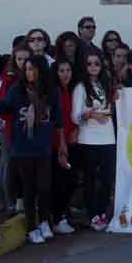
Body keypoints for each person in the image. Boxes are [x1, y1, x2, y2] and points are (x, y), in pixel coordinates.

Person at [0, 56, 61, 245]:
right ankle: (32, 227)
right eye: (27, 69)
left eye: (33, 69)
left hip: (43, 147)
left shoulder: (50, 91)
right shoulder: (17, 89)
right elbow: (2, 108)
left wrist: (61, 141)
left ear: (41, 70)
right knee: (29, 189)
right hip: (23, 148)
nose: (30, 73)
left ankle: (45, 222)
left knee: (45, 186)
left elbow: (57, 118)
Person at [71, 51, 116, 232]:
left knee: (106, 179)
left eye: (96, 63)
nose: (93, 67)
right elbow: (75, 116)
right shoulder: (81, 87)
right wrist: (90, 114)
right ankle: (92, 214)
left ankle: (103, 212)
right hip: (88, 139)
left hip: (108, 138)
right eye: (89, 64)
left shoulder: (107, 85)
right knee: (90, 179)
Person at [0, 42, 30, 217]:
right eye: (19, 59)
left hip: (23, 129)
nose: (22, 62)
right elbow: (0, 106)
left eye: (25, 59)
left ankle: (13, 202)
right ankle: (6, 203)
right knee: (7, 165)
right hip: (9, 128)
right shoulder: (8, 79)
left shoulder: (28, 78)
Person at [50, 59, 78, 235]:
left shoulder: (70, 90)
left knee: (69, 181)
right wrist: (61, 144)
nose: (65, 74)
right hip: (56, 143)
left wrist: (75, 130)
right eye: (61, 70)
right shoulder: (55, 92)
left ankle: (61, 215)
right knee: (59, 183)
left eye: (68, 70)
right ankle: (57, 218)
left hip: (70, 141)